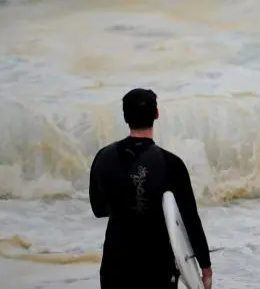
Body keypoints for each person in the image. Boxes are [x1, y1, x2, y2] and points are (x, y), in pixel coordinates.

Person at [89, 88, 213, 289]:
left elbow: (98, 209)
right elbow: (189, 219)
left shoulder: (103, 157)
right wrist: (205, 267)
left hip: (115, 264)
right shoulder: (171, 163)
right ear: (156, 114)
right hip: (157, 267)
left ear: (125, 117)